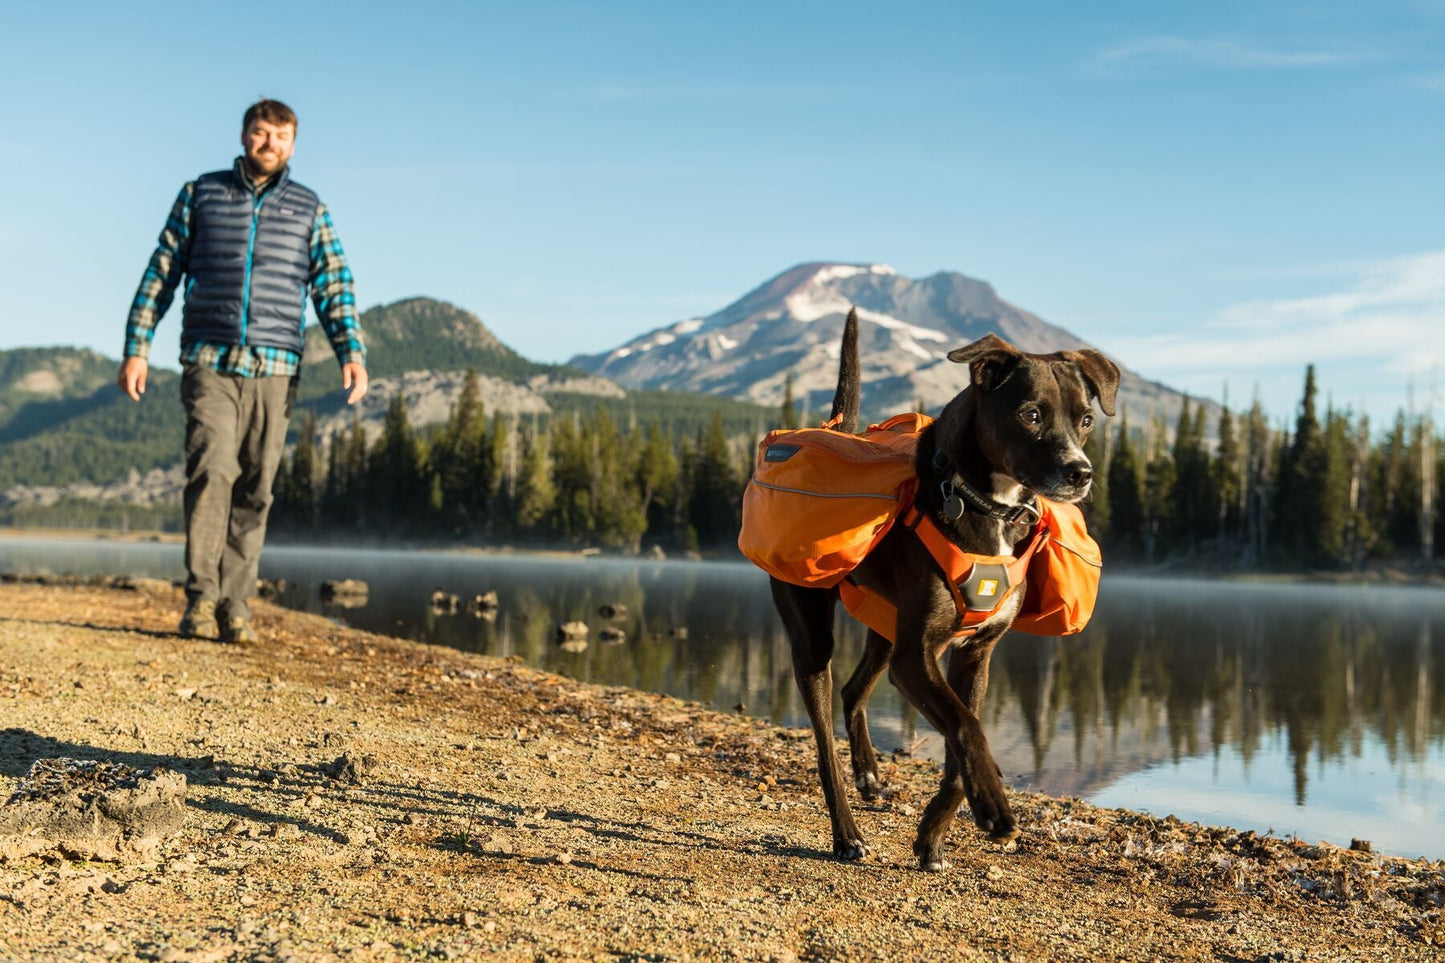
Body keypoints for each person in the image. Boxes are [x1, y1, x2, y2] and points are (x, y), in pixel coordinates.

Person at [117, 98, 368, 644]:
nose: (269, 144)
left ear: (293, 145)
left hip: (277, 367)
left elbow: (334, 285)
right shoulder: (201, 194)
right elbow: (161, 272)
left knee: (257, 485)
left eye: (280, 136)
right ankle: (201, 599)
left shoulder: (309, 208)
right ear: (243, 135)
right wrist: (138, 344)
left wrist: (351, 351)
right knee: (212, 471)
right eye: (260, 133)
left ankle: (235, 603)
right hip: (211, 359)